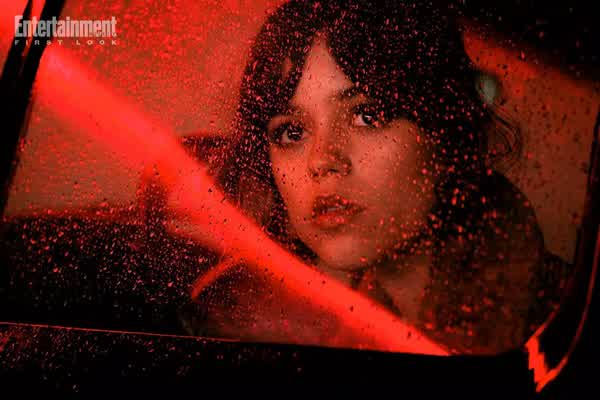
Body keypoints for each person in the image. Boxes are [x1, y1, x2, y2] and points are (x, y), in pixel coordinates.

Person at [176, 0, 571, 354]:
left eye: (369, 116)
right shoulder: (269, 316)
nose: (323, 161)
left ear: (444, 131)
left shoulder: (561, 324)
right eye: (292, 132)